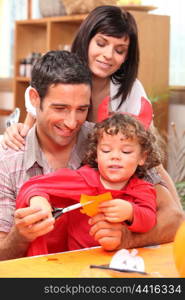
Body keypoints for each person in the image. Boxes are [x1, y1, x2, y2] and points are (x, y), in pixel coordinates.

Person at [1, 6, 184, 251]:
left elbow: (152, 170)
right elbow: (32, 125)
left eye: (81, 108)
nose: (108, 55)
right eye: (60, 107)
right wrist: (18, 131)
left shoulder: (111, 137)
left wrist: (131, 228)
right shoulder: (13, 160)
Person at [0, 50, 123, 260]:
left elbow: (172, 218)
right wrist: (20, 236)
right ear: (34, 98)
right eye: (60, 108)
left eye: (82, 109)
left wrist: (126, 236)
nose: (72, 122)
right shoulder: (7, 161)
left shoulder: (109, 142)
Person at [16, 110, 161, 257]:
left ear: (142, 157)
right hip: (77, 262)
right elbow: (34, 185)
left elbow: (149, 220)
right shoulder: (82, 178)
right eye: (106, 150)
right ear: (96, 154)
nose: (115, 157)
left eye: (126, 152)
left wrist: (131, 212)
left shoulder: (142, 188)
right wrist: (38, 200)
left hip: (121, 260)